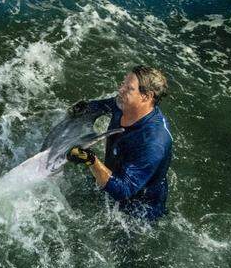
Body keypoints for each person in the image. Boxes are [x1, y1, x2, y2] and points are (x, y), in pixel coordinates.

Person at [66, 66, 173, 220]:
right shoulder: (124, 104)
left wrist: (90, 160)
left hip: (138, 207)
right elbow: (101, 107)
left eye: (128, 88)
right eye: (123, 83)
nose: (120, 89)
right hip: (113, 175)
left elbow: (124, 189)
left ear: (146, 96)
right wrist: (81, 110)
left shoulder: (154, 142)